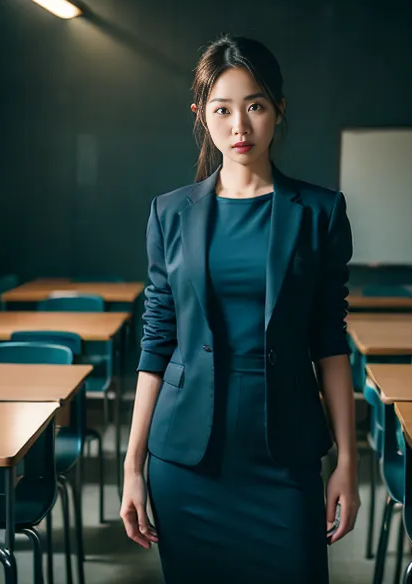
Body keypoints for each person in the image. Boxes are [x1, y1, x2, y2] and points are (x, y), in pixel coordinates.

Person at [120, 34, 360, 583]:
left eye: (254, 105)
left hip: (284, 456)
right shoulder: (169, 214)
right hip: (186, 462)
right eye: (221, 109)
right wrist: (133, 467)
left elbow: (330, 341)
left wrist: (348, 463)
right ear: (201, 116)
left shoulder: (320, 213)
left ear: (278, 109)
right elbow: (157, 342)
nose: (239, 126)